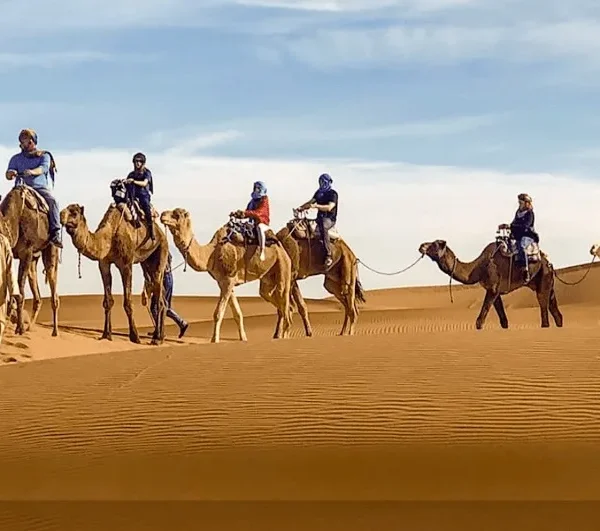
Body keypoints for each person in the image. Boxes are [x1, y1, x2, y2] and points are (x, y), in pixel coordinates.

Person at [5, 129, 62, 248]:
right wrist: (11, 173)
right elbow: (8, 175)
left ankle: (55, 232)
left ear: (33, 142)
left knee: (53, 201)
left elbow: (43, 169)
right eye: (23, 141)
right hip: (19, 188)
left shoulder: (44, 156)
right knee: (6, 205)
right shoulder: (16, 158)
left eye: (28, 141)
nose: (26, 144)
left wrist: (32, 172)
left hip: (38, 188)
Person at [296, 173, 338, 268]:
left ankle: (328, 255)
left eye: (323, 181)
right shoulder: (319, 193)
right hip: (319, 218)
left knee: (323, 227)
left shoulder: (333, 194)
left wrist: (316, 206)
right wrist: (301, 208)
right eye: (320, 182)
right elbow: (311, 202)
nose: (321, 183)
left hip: (329, 219)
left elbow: (329, 207)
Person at [145, 252, 189, 338]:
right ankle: (181, 323)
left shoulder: (154, 251)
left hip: (163, 279)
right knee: (165, 307)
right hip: (168, 278)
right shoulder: (163, 249)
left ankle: (160, 330)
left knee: (155, 307)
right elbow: (170, 257)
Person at [233, 181, 271, 261]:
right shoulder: (252, 202)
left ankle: (262, 250)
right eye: (255, 188)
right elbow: (247, 213)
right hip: (252, 223)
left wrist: (245, 213)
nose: (256, 190)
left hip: (263, 223)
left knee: (259, 228)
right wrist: (237, 214)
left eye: (258, 189)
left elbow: (258, 213)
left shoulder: (264, 201)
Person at [125, 152, 155, 239]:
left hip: (143, 194)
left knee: (146, 207)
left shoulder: (147, 173)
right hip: (132, 195)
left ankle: (151, 230)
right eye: (136, 161)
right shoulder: (131, 174)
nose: (138, 163)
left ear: (143, 163)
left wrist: (133, 181)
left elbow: (144, 183)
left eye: (140, 161)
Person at [510, 193, 538, 281]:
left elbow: (525, 226)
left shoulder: (530, 214)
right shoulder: (518, 213)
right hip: (518, 235)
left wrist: (512, 226)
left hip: (528, 236)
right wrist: (508, 226)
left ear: (526, 203)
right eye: (519, 203)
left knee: (521, 246)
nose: (519, 205)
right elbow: (514, 223)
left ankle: (525, 270)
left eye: (521, 203)